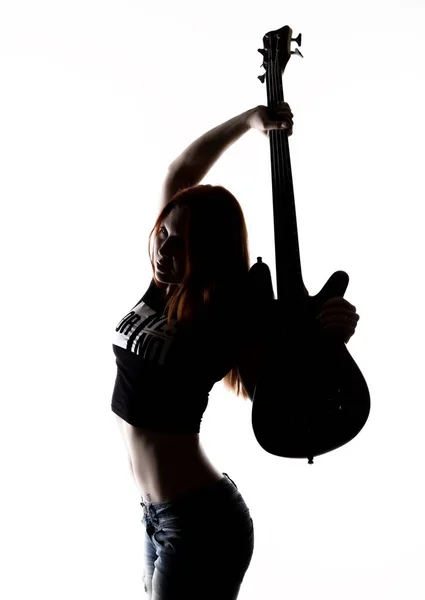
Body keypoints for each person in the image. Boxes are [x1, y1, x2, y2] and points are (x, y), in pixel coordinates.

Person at [111, 101, 360, 599]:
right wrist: (249, 121)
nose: (163, 250)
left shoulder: (229, 312)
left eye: (179, 245)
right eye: (162, 234)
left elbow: (300, 359)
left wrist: (337, 326)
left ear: (207, 254)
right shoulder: (160, 286)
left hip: (200, 524)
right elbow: (181, 171)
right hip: (153, 517)